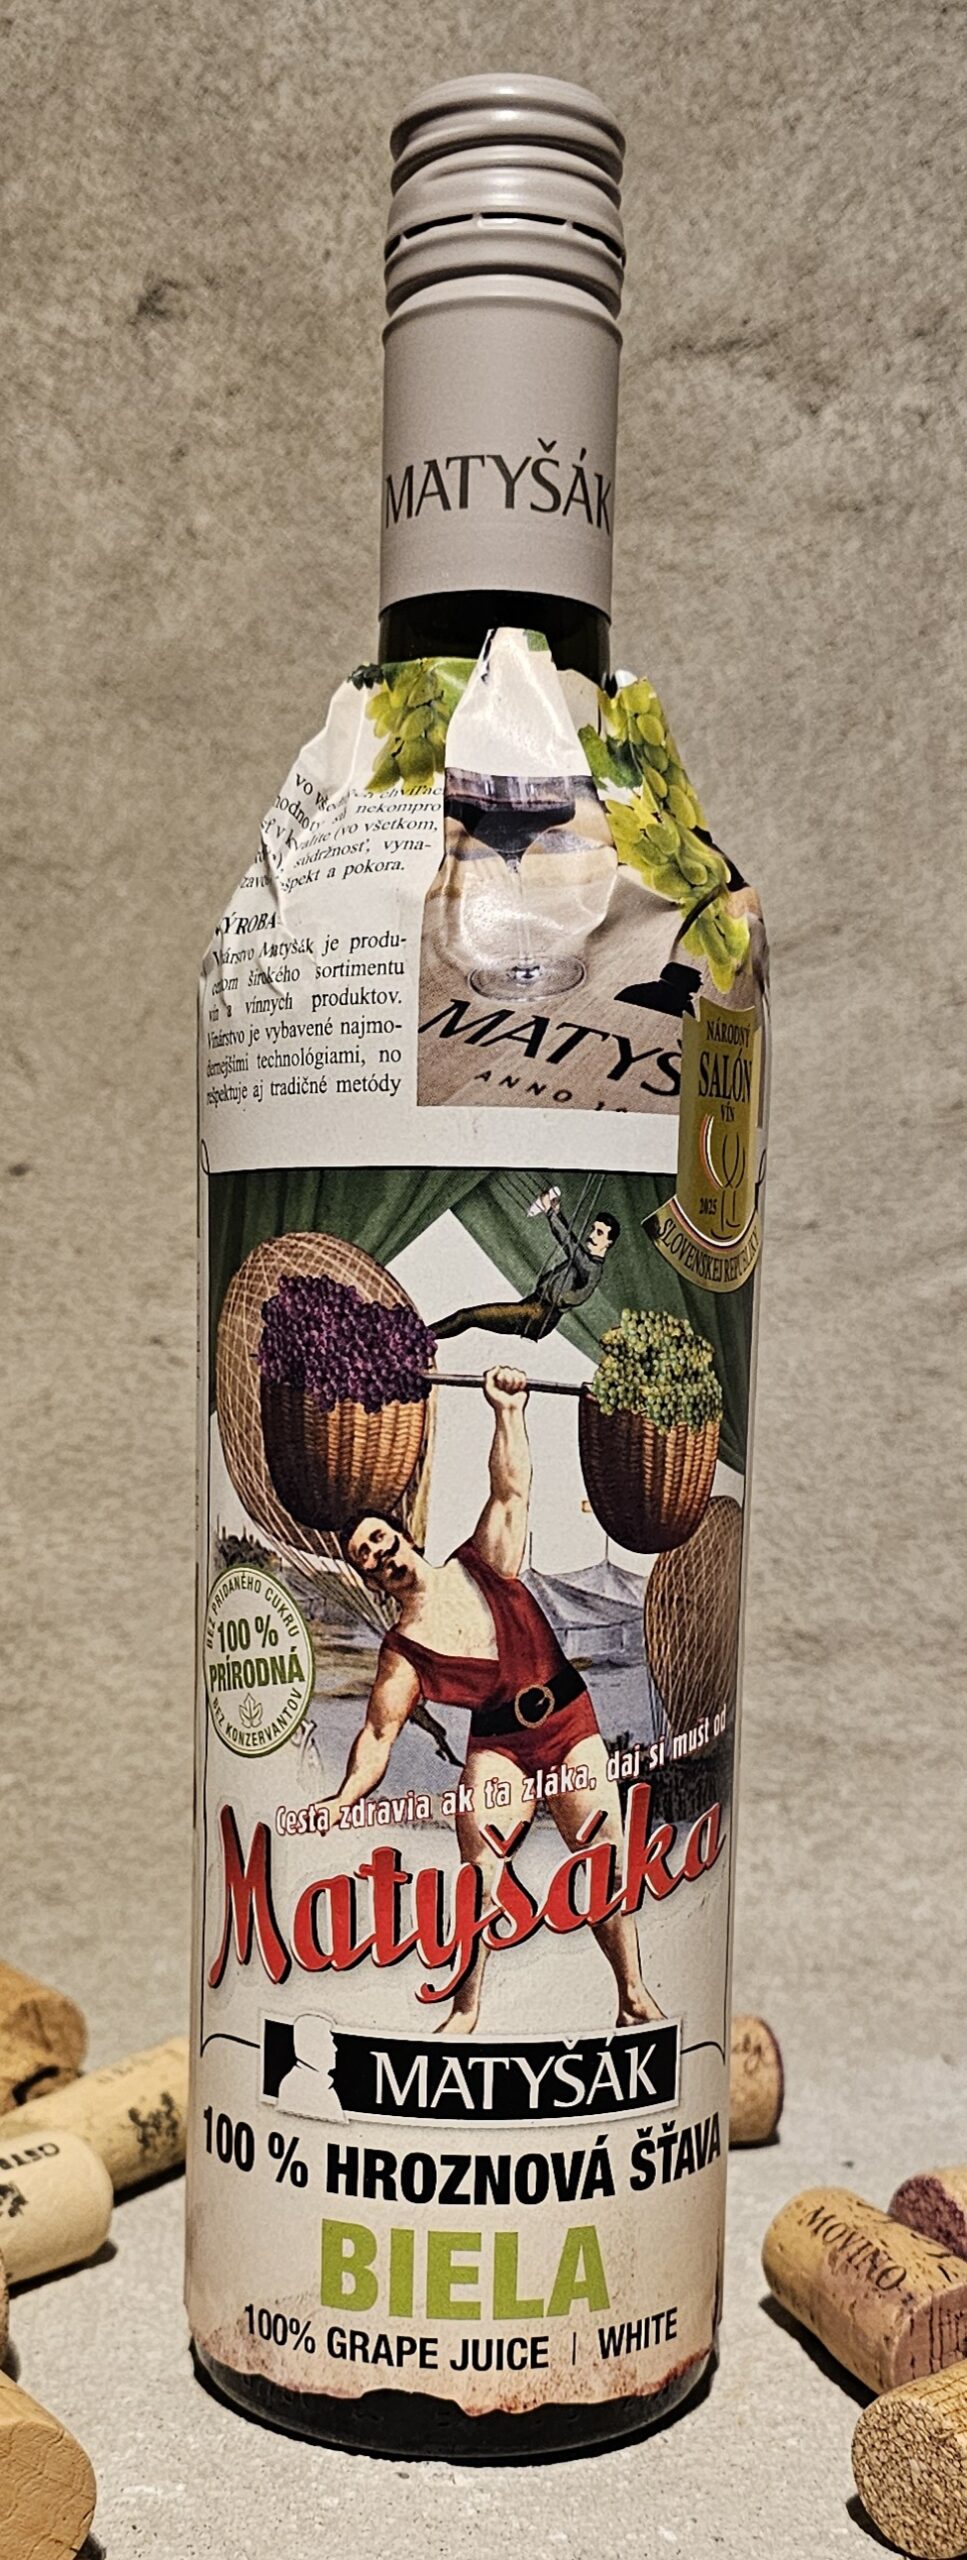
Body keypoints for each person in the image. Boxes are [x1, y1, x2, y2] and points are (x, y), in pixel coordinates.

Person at [324, 1365, 663, 2036]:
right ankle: (465, 2009)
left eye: (381, 1540)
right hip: (499, 1745)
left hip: (567, 1721)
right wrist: (343, 1799)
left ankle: (631, 1996)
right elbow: (378, 1735)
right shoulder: (401, 1650)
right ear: (368, 1578)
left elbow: (510, 1490)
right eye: (367, 1557)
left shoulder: (480, 1561)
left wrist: (507, 1411)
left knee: (604, 1858)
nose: (380, 1556)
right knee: (479, 1876)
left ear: (404, 1535)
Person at [432, 1191, 619, 1342]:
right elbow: (573, 1244)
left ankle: (422, 1338)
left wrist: (550, 1212)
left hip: (538, 1316)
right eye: (593, 1229)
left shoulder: (591, 1268)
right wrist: (556, 1212)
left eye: (599, 1233)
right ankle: (424, 1337)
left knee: (467, 1317)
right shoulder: (584, 1259)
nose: (591, 1235)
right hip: (533, 1306)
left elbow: (569, 1244)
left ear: (609, 1243)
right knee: (468, 1317)